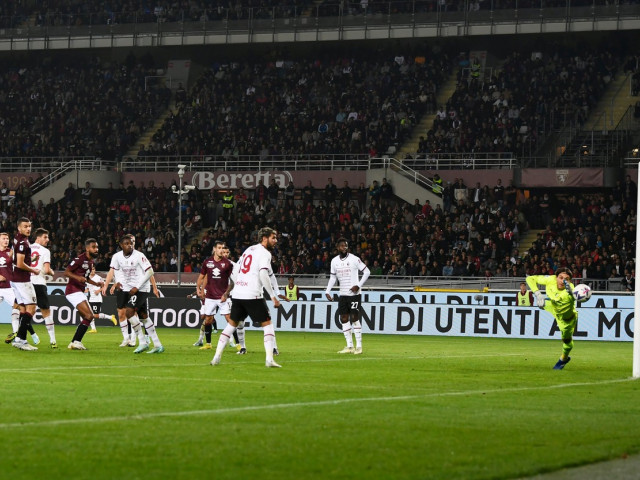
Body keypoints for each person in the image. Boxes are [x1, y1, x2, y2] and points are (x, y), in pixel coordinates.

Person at [210, 227, 282, 367]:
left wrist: (239, 285)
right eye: (273, 237)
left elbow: (237, 269)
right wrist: (273, 296)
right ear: (264, 238)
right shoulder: (265, 253)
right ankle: (269, 360)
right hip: (253, 294)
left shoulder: (249, 249)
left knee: (231, 325)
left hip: (238, 293)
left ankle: (216, 357)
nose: (275, 241)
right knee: (267, 325)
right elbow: (263, 274)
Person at [103, 235, 163, 354]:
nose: (130, 245)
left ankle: (142, 342)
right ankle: (157, 345)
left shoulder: (139, 256)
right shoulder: (117, 257)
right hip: (129, 289)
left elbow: (150, 271)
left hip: (142, 288)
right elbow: (114, 271)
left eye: (131, 243)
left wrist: (137, 286)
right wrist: (115, 284)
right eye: (126, 243)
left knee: (129, 312)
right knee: (143, 316)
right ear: (121, 245)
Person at [325, 237, 371, 355]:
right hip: (343, 294)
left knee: (355, 318)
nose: (344, 248)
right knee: (343, 318)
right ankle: (349, 346)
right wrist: (327, 291)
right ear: (337, 247)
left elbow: (367, 272)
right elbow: (333, 277)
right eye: (342, 246)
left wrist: (358, 285)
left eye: (346, 245)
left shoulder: (355, 259)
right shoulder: (334, 261)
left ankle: (359, 347)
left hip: (354, 294)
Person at [526, 267, 577, 370]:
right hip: (553, 305)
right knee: (543, 302)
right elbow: (530, 279)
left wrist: (572, 293)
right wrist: (538, 294)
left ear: (570, 281)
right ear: (556, 277)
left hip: (566, 317)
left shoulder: (570, 290)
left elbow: (571, 297)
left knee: (567, 342)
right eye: (560, 277)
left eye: (566, 279)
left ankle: (564, 358)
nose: (562, 281)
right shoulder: (550, 279)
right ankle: (543, 302)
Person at [65, 238, 106, 350]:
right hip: (72, 290)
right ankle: (76, 342)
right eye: (94, 247)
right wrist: (78, 277)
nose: (96, 249)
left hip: (79, 291)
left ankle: (74, 342)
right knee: (89, 316)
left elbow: (86, 278)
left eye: (97, 247)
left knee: (86, 317)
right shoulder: (79, 259)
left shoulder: (91, 262)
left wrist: (96, 283)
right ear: (87, 248)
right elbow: (66, 272)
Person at [194, 241, 234, 350]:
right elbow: (202, 277)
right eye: (219, 248)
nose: (221, 250)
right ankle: (208, 344)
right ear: (214, 249)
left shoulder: (227, 263)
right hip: (210, 297)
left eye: (223, 248)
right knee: (208, 319)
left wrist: (226, 294)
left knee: (229, 319)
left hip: (222, 297)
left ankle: (238, 344)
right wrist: (198, 289)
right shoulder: (207, 262)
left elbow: (233, 281)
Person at [9, 218, 40, 351]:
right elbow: (20, 264)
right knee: (32, 308)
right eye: (25, 226)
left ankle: (19, 339)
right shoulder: (23, 242)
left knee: (23, 309)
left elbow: (12, 257)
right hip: (22, 280)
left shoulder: (16, 239)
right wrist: (34, 269)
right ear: (19, 228)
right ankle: (21, 340)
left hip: (15, 279)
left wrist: (30, 259)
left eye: (29, 226)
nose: (28, 229)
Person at [30, 228, 58, 347]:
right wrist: (52, 272)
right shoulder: (45, 251)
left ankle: (21, 337)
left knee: (24, 312)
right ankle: (53, 341)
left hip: (26, 283)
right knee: (46, 312)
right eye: (45, 237)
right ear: (38, 238)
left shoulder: (27, 248)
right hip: (39, 283)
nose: (48, 239)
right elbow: (46, 270)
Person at [0, 232, 20, 345]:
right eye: (3, 238)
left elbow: (19, 263)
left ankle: (16, 334)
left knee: (17, 306)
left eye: (7, 238)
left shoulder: (10, 252)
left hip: (8, 287)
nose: (6, 240)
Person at [86, 266, 117, 333]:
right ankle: (93, 329)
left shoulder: (98, 278)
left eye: (93, 269)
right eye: (91, 269)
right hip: (91, 298)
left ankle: (110, 317)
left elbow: (104, 287)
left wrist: (99, 290)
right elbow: (88, 288)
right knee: (90, 314)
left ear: (95, 270)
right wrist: (83, 290)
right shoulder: (88, 278)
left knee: (95, 315)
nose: (92, 271)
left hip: (97, 299)